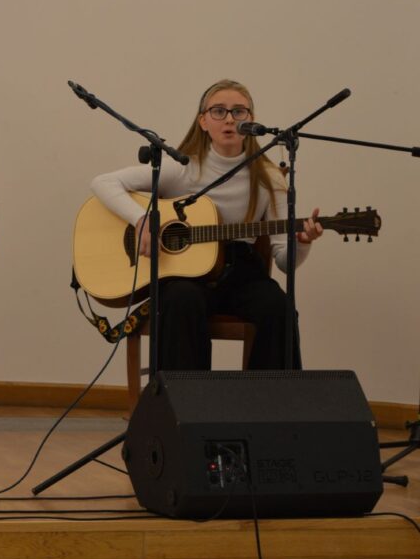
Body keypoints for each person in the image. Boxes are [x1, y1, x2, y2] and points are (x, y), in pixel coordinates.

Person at [90, 79, 323, 371]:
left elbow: (285, 262)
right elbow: (103, 182)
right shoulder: (183, 167)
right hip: (187, 277)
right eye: (218, 111)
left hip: (243, 275)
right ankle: (184, 407)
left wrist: (302, 242)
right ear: (203, 121)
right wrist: (141, 218)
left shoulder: (268, 176)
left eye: (239, 111)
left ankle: (268, 407)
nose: (229, 119)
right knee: (181, 301)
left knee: (278, 307)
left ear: (251, 120)